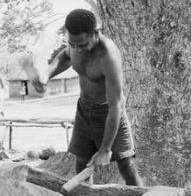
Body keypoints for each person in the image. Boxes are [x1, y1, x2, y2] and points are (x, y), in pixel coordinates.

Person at [22, 9, 143, 186]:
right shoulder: (75, 44)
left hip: (109, 111)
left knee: (126, 164)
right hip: (84, 110)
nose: (77, 49)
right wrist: (47, 75)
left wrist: (106, 149)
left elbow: (116, 105)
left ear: (96, 32)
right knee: (81, 162)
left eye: (83, 45)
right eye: (73, 44)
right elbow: (64, 57)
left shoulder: (108, 56)